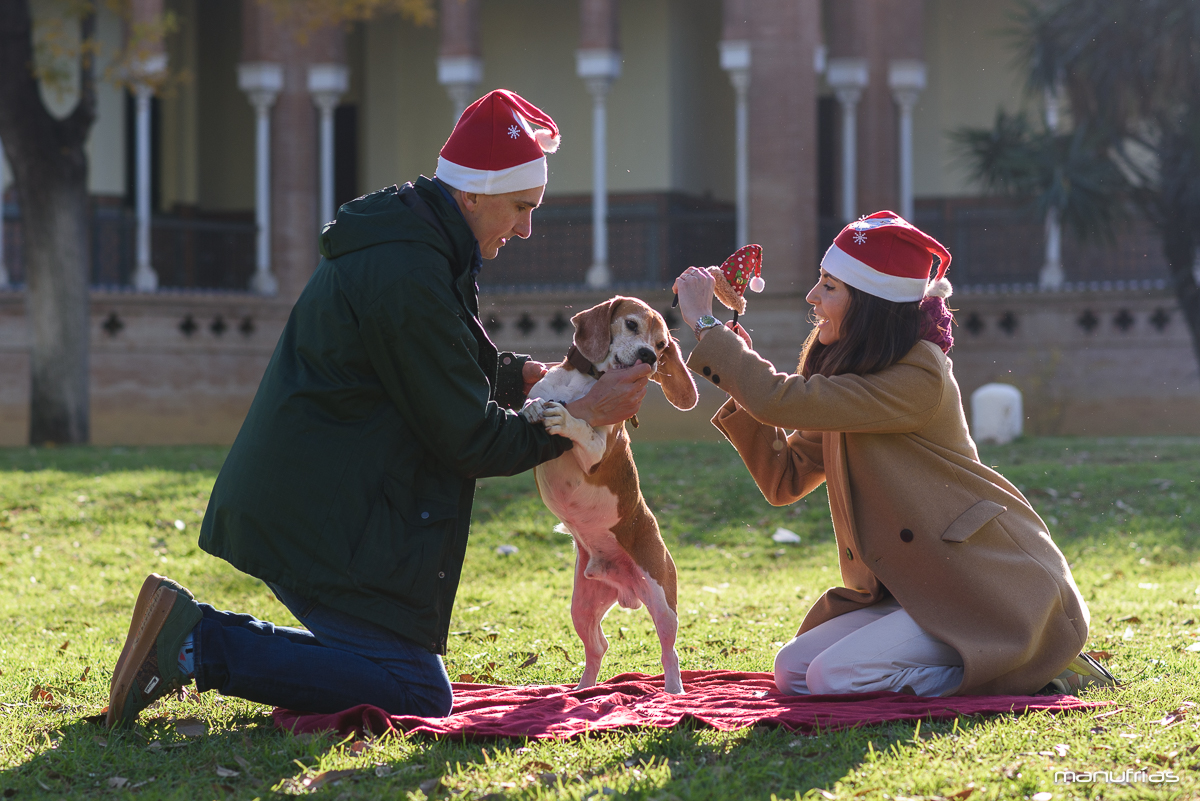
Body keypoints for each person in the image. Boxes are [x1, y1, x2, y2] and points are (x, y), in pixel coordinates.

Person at [106, 90, 652, 727]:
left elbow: (435, 363)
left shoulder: (418, 242)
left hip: (325, 504)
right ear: (473, 195)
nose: (526, 228)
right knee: (415, 691)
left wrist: (522, 376)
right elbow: (469, 440)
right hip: (316, 517)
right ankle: (195, 643)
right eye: (521, 207)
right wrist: (584, 412)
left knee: (402, 675)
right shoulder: (409, 271)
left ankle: (193, 637)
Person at [673, 211, 1114, 697]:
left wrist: (707, 327)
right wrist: (737, 379)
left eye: (829, 286)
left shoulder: (919, 377)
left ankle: (1023, 668)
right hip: (912, 586)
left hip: (982, 586)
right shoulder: (854, 378)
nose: (811, 297)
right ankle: (987, 665)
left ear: (869, 305)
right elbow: (786, 477)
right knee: (793, 671)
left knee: (830, 676)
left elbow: (786, 398)